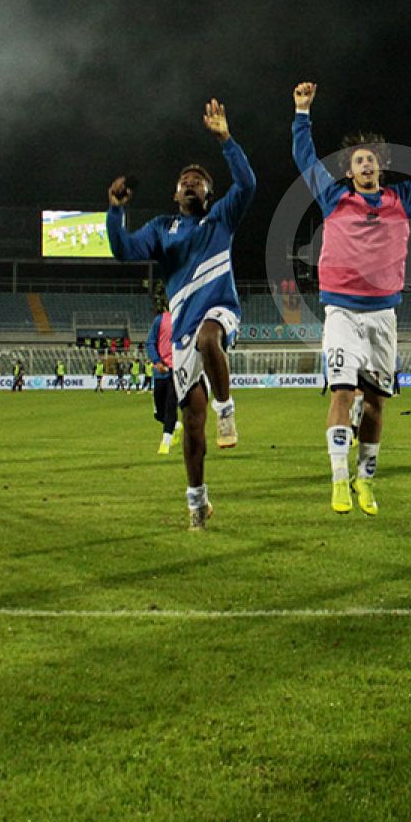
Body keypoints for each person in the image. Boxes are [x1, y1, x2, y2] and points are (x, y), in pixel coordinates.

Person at [292, 83, 411, 515]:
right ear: (349, 171)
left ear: (380, 166)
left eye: (371, 159)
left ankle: (365, 480)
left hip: (384, 314)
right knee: (343, 392)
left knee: (377, 403)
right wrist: (302, 114)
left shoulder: (402, 199)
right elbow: (305, 161)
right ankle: (338, 479)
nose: (365, 164)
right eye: (358, 160)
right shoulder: (334, 198)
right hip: (342, 311)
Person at [107, 99, 256, 529]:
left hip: (221, 312)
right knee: (191, 425)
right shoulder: (161, 228)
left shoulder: (221, 218)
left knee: (211, 337)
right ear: (176, 194)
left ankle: (226, 410)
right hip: (182, 332)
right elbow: (123, 251)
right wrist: (116, 211)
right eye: (185, 181)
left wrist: (226, 140)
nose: (191, 184)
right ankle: (197, 503)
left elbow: (247, 184)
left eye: (199, 182)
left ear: (210, 194)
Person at [146, 309, 178, 453]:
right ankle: (175, 426)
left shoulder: (186, 317)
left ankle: (165, 442)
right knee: (159, 413)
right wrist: (157, 361)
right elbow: (150, 342)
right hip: (161, 371)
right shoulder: (160, 320)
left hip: (177, 370)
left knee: (171, 404)